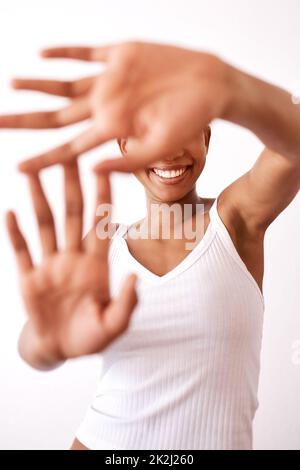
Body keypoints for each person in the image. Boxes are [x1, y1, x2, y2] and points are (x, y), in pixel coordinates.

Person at [2, 41, 300, 450]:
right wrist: (44, 341)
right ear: (124, 146)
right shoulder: (103, 246)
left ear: (206, 139)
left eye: (183, 130)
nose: (169, 149)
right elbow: (32, 348)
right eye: (147, 133)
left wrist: (226, 84)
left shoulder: (236, 221)